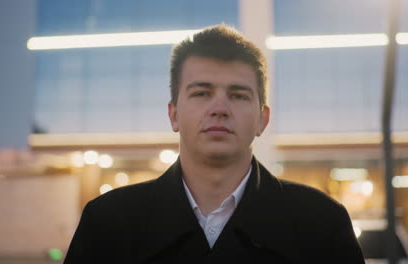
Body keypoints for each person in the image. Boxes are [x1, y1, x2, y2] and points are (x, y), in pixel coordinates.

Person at [64, 24, 365, 263]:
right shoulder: (107, 224)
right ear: (173, 114)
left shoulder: (321, 224)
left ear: (263, 119)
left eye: (237, 95)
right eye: (201, 93)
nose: (219, 108)